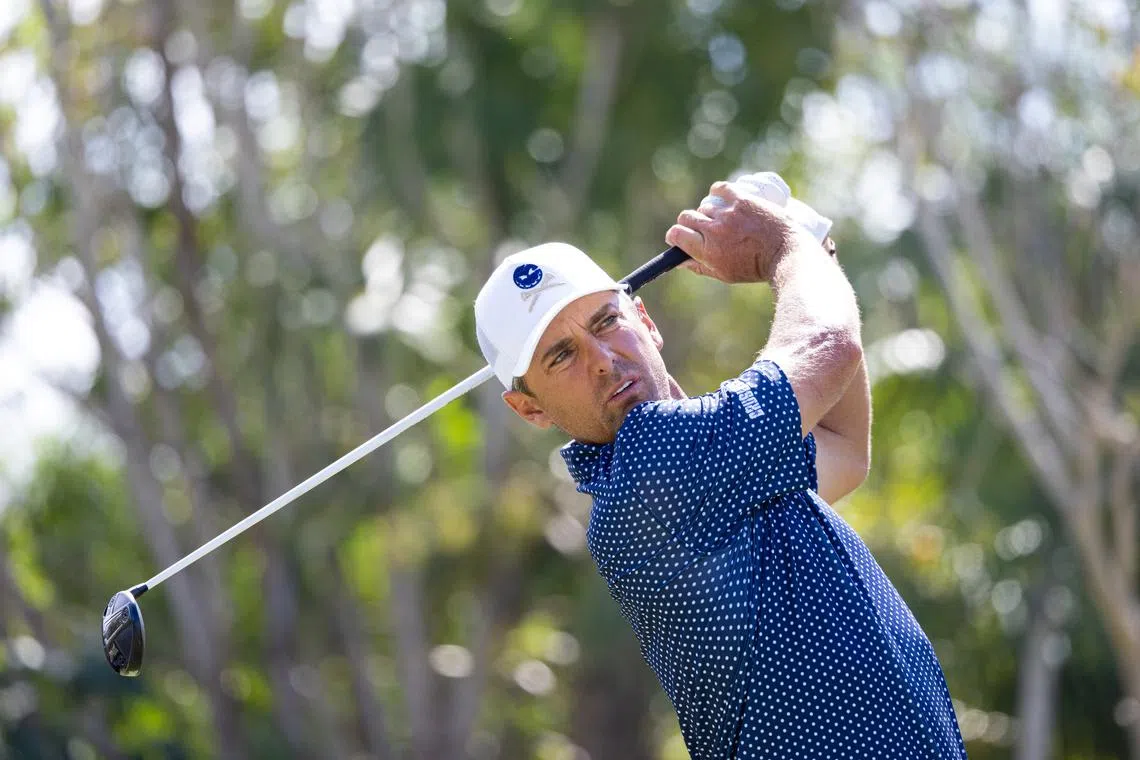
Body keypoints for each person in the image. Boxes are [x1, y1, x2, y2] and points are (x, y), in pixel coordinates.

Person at [473, 174, 967, 759]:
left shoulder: (725, 465)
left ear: (645, 320)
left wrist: (813, 250)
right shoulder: (649, 475)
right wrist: (786, 247)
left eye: (606, 322)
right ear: (529, 408)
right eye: (562, 355)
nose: (603, 361)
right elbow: (829, 345)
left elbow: (842, 446)